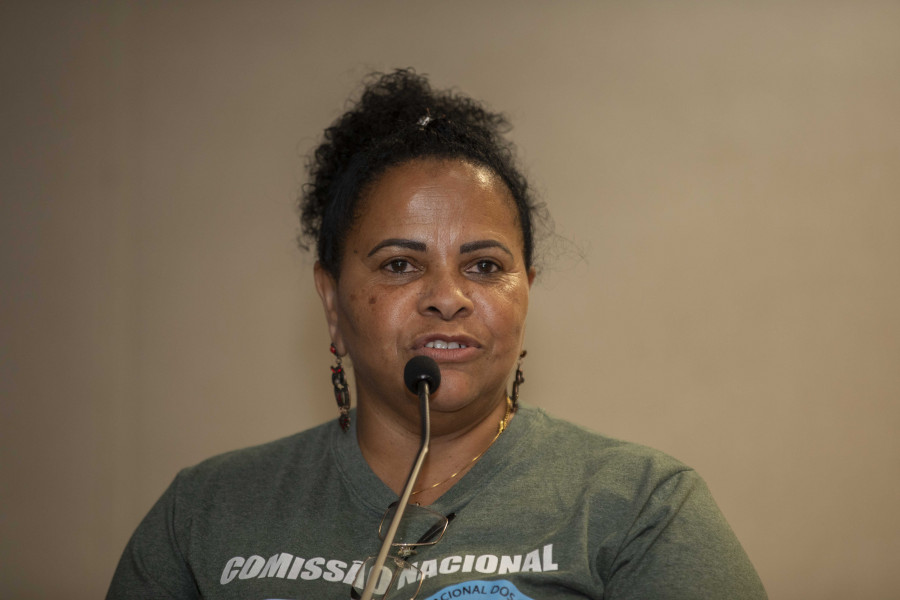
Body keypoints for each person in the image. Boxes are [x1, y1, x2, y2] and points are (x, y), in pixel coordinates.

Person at [107, 69, 767, 600]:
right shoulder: (205, 511)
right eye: (400, 264)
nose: (449, 297)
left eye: (485, 266)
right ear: (331, 301)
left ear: (525, 293)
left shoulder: (640, 505)